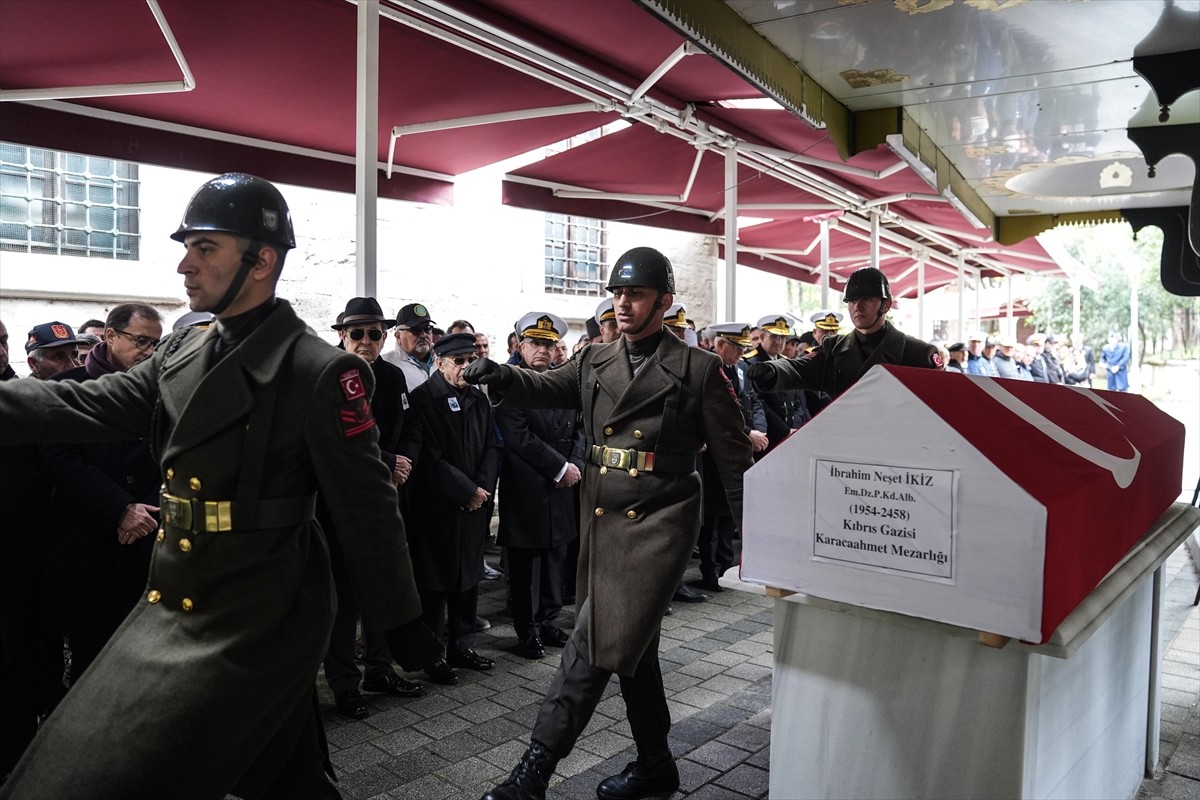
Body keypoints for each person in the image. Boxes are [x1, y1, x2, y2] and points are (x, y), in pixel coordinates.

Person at [0, 173, 439, 800]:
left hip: (260, 607)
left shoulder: (320, 372)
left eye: (205, 247)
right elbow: (88, 404)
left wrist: (402, 618)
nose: (184, 263)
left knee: (108, 764)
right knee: (279, 767)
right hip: (181, 585)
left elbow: (368, 509)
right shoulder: (185, 346)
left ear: (261, 260)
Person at [467, 246, 754, 800]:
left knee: (596, 637)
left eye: (636, 294)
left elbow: (735, 461)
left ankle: (533, 774)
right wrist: (503, 375)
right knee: (633, 646)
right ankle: (655, 766)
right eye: (618, 293)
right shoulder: (598, 359)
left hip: (661, 523)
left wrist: (755, 541)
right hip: (602, 519)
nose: (623, 303)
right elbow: (550, 386)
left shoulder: (700, 369)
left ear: (664, 301)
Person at [41, 303, 164, 685]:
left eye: (155, 344)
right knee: (92, 658)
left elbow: (173, 455)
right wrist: (120, 508)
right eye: (140, 341)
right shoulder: (67, 388)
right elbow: (59, 459)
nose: (148, 351)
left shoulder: (162, 390)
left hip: (146, 538)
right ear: (110, 336)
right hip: (87, 542)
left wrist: (147, 510)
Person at [322, 297, 424, 721]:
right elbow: (335, 443)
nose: (366, 341)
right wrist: (388, 461)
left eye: (375, 333)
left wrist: (405, 460)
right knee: (344, 601)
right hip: (343, 507)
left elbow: (412, 427)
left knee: (383, 588)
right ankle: (344, 684)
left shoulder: (393, 377)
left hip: (388, 498)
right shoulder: (328, 378)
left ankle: (379, 671)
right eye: (357, 333)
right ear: (342, 336)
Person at [399, 332, 503, 687]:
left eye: (469, 361)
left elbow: (492, 445)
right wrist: (465, 490)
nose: (465, 368)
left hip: (475, 503)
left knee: (468, 579)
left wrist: (483, 489)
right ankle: (434, 656)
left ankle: (463, 647)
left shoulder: (477, 398)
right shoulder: (422, 399)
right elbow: (429, 458)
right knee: (435, 583)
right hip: (438, 507)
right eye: (458, 362)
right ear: (440, 363)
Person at [495, 313, 585, 660]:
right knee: (527, 565)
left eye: (549, 344)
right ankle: (527, 630)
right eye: (535, 343)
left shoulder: (563, 383)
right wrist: (560, 467)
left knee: (555, 558)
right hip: (528, 485)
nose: (543, 350)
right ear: (521, 346)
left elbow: (580, 427)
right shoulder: (512, 383)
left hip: (563, 484)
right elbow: (518, 435)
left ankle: (549, 621)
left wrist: (574, 464)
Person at [748, 267, 941, 402]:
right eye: (852, 300)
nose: (858, 307)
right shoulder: (834, 348)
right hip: (845, 445)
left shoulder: (918, 354)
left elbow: (937, 408)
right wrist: (773, 371)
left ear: (886, 305)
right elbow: (800, 368)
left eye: (866, 299)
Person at [696, 323, 767, 593]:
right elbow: (718, 413)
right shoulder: (708, 370)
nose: (740, 352)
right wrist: (747, 433)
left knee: (729, 512)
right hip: (717, 452)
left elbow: (754, 401)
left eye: (742, 348)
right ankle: (710, 571)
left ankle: (728, 564)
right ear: (720, 344)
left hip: (738, 451)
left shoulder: (741, 369)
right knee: (712, 514)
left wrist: (759, 429)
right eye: (736, 347)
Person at [744, 313, 809, 456]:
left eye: (783, 338)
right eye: (774, 337)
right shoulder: (750, 363)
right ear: (762, 338)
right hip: (768, 435)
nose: (779, 342)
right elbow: (759, 402)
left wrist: (794, 428)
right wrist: (784, 431)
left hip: (791, 433)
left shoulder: (787, 363)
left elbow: (797, 400)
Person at [383, 302, 437, 388]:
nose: (423, 335)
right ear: (398, 336)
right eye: (415, 330)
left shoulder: (447, 358)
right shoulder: (386, 365)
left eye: (427, 328)